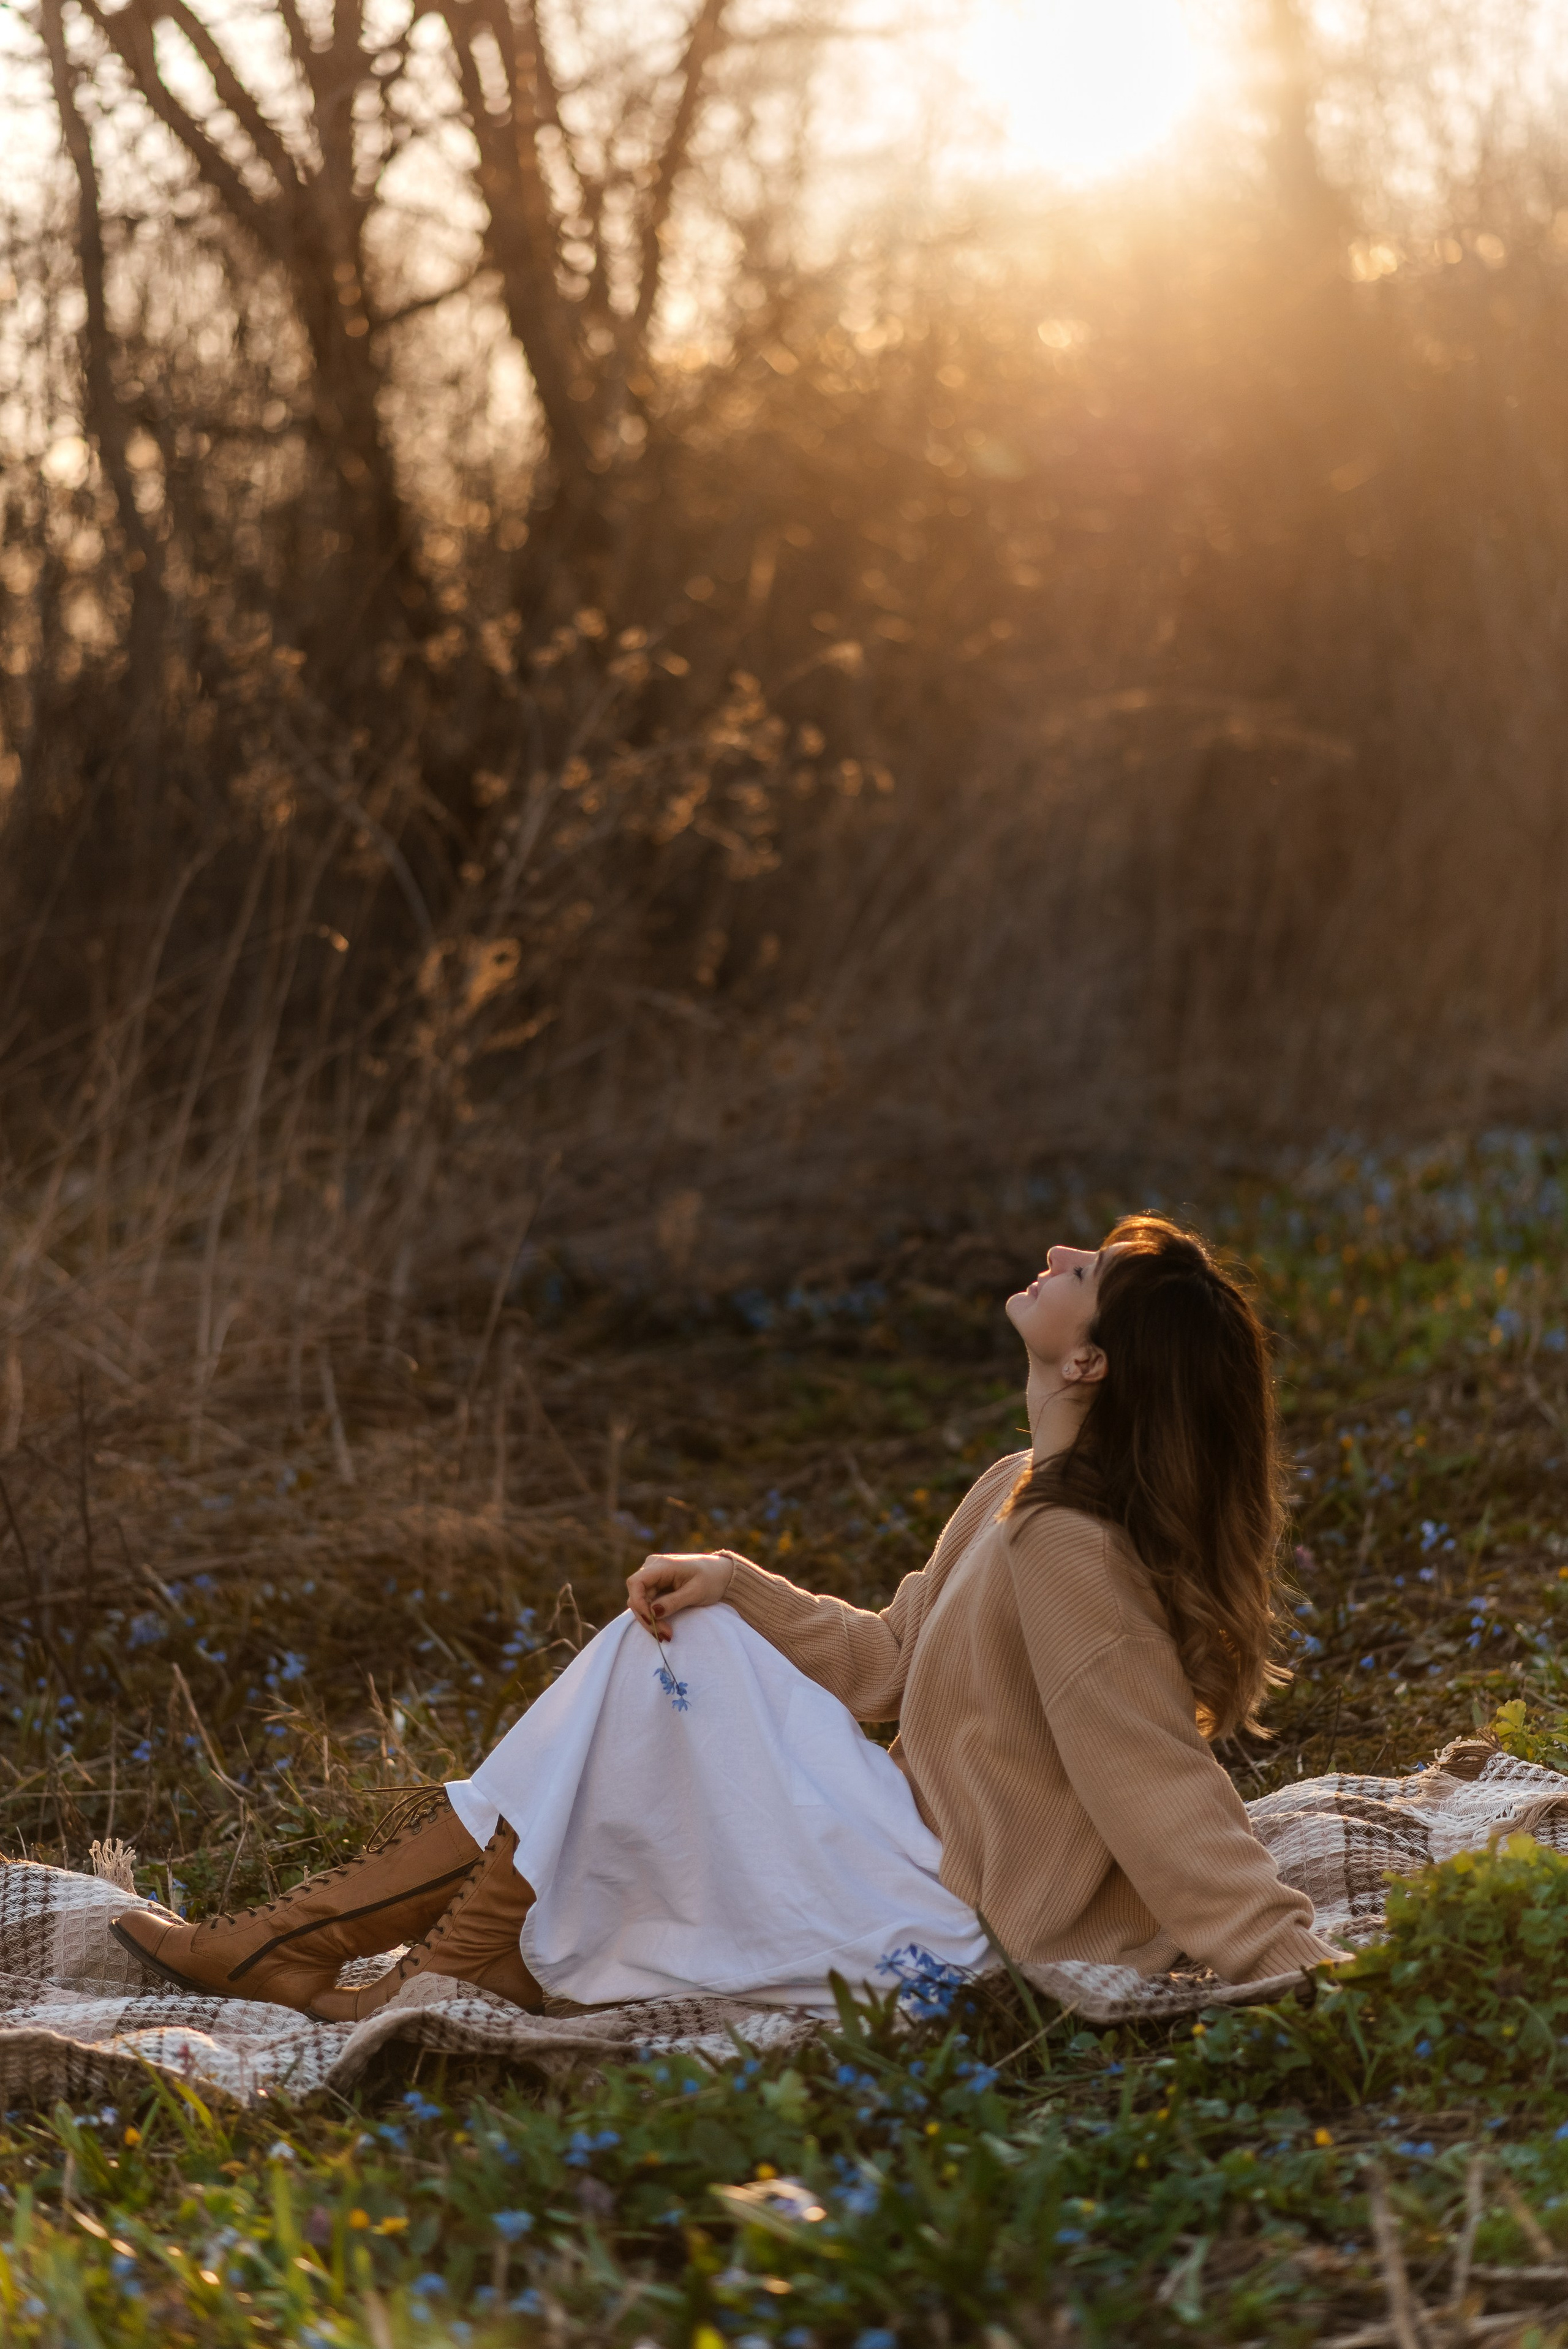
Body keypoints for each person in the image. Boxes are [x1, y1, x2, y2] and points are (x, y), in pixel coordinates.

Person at [111, 1215, 1340, 2019]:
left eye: (1090, 1274)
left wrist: (1293, 1966)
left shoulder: (1071, 1547)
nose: (1063, 1250)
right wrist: (739, 1581)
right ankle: (402, 1956)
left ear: (1089, 1363)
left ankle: (359, 1951)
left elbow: (1153, 1782)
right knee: (677, 1638)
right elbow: (885, 1665)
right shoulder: (1013, 1491)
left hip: (938, 1911)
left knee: (654, 1670)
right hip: (890, 1841)